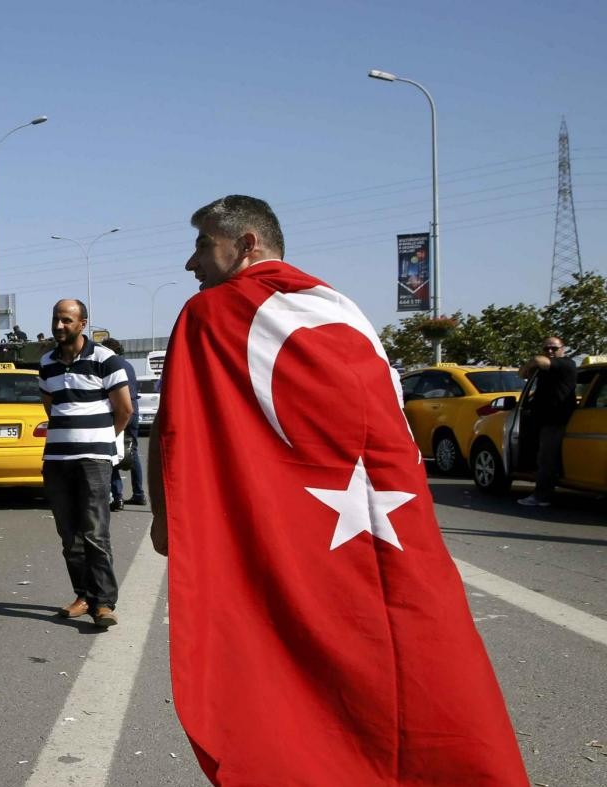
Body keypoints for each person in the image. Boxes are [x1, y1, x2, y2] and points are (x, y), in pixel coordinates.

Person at [147, 195, 526, 784]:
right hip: (388, 517)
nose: (190, 265)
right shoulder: (340, 307)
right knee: (407, 645)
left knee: (289, 651)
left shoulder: (212, 316)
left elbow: (176, 431)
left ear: (247, 244)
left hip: (311, 523)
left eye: (202, 246)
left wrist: (168, 519)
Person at [38, 300, 132, 629]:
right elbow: (53, 408)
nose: (59, 325)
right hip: (57, 461)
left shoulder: (106, 360)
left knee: (95, 533)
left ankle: (104, 603)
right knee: (69, 535)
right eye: (56, 319)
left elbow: (124, 410)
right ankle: (83, 596)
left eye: (66, 320)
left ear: (82, 324)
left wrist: (101, 441)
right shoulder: (47, 363)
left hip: (93, 461)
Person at [516, 336, 577, 507]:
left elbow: (538, 360)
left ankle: (541, 496)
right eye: (546, 348)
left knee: (547, 458)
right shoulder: (544, 371)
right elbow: (522, 374)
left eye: (554, 348)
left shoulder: (566, 364)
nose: (550, 351)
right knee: (542, 456)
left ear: (562, 349)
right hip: (542, 419)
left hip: (557, 420)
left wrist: (533, 362)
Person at [101, 338, 144, 509]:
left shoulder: (111, 364)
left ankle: (117, 496)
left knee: (112, 452)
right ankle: (139, 493)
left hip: (117, 411)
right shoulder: (129, 365)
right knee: (132, 451)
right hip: (133, 409)